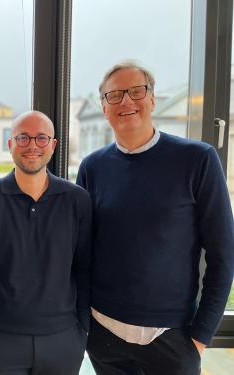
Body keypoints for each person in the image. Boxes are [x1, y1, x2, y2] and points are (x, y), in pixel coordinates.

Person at [77, 61, 234, 375]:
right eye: (115, 95)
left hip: (172, 339)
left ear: (152, 99)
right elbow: (82, 253)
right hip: (104, 335)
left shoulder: (197, 159)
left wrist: (200, 338)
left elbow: (224, 256)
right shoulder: (92, 167)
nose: (126, 102)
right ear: (104, 108)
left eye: (136, 91)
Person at [0, 111, 92, 375]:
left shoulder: (77, 200)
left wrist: (82, 329)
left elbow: (84, 268)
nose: (32, 145)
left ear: (53, 145)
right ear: (10, 144)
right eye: (22, 138)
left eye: (41, 138)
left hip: (63, 339)